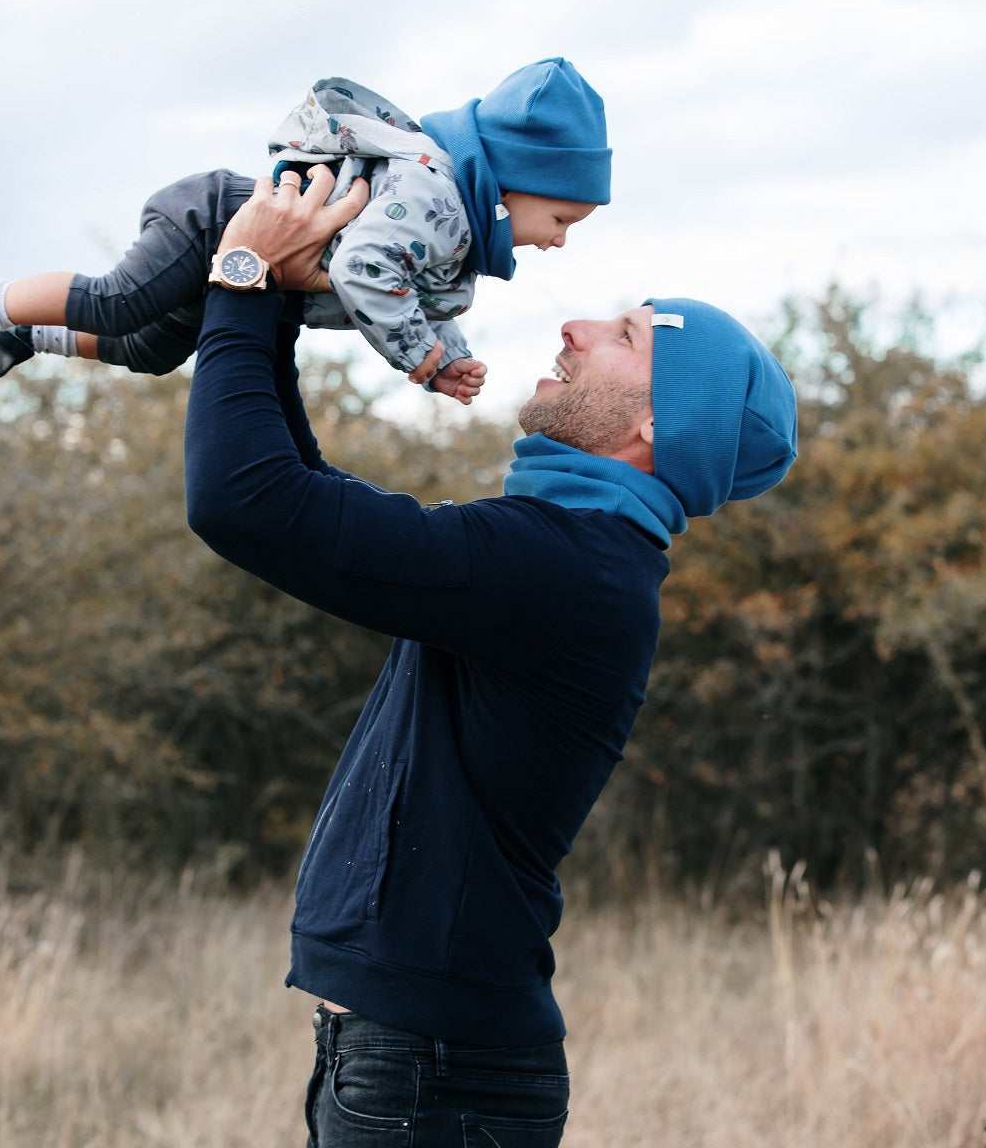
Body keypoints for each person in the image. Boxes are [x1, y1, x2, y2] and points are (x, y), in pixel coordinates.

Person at [181, 166, 798, 1146]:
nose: (575, 329)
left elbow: (245, 502)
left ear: (654, 428)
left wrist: (243, 277)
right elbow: (297, 491)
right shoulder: (569, 552)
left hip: (437, 1080)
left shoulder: (569, 569)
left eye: (625, 336)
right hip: (423, 1067)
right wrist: (277, 303)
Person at [0, 58, 609, 406]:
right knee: (117, 303)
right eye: (560, 218)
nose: (558, 239)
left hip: (254, 268)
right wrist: (421, 358)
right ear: (511, 181)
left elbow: (410, 298)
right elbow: (366, 271)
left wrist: (447, 354)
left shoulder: (454, 239)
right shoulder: (435, 193)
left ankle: (28, 331)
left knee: (149, 351)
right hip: (214, 220)